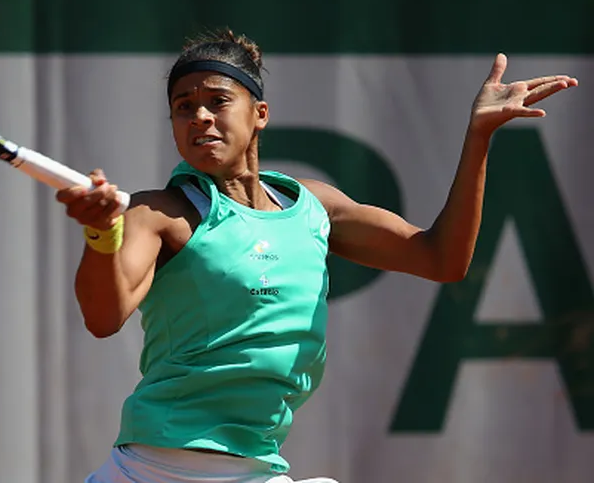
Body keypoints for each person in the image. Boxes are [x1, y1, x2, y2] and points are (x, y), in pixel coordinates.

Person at [56, 29, 578, 483]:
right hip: (153, 470)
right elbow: (104, 317)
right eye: (183, 106)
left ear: (259, 114)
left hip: (256, 465)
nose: (200, 117)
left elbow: (442, 258)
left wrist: (479, 136)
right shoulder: (159, 213)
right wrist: (102, 234)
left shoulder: (314, 206)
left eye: (217, 101)